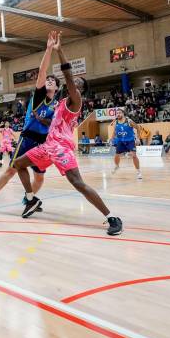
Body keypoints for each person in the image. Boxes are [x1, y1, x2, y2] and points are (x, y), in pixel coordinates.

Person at [10, 31, 123, 236]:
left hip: (62, 148)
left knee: (78, 183)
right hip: (48, 146)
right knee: (18, 164)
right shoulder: (60, 104)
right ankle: (31, 198)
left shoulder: (75, 100)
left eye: (78, 84)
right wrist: (39, 117)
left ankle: (112, 217)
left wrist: (59, 50)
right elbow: (53, 122)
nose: (75, 84)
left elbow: (68, 76)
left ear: (80, 90)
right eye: (75, 83)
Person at [0, 39, 60, 214]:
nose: (49, 80)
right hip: (27, 138)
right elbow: (41, 71)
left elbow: (53, 125)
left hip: (43, 143)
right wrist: (48, 49)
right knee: (11, 170)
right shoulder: (39, 97)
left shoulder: (57, 105)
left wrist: (44, 120)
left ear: (57, 87)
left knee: (39, 178)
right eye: (48, 79)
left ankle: (28, 199)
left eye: (53, 80)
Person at [110, 108, 142, 179]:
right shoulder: (115, 122)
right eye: (117, 113)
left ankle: (138, 172)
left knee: (134, 155)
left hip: (130, 140)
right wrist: (111, 139)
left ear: (123, 113)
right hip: (120, 141)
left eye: (119, 113)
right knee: (116, 155)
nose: (118, 114)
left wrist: (138, 138)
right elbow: (115, 132)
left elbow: (138, 128)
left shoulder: (129, 121)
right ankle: (117, 166)